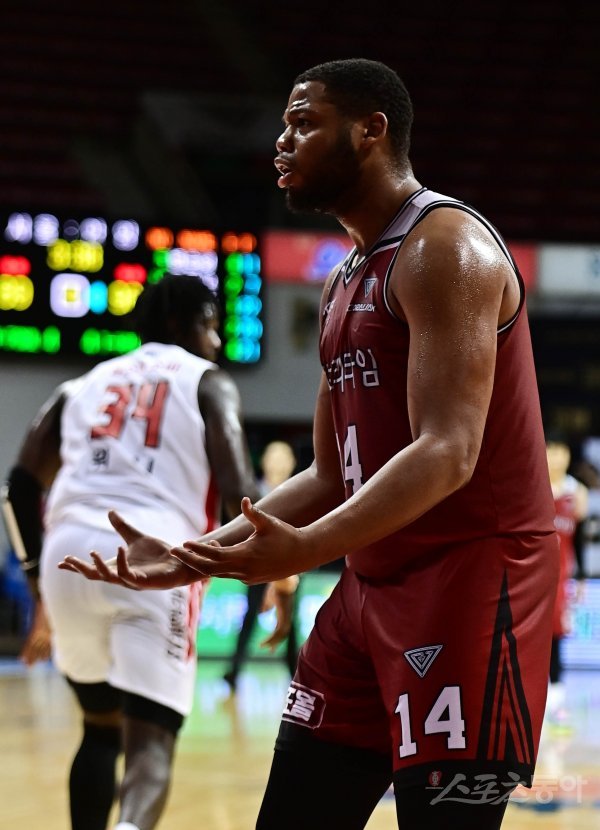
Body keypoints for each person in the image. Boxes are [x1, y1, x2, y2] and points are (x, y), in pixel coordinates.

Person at [61, 59, 560, 830]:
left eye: (303, 123)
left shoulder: (445, 246)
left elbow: (448, 450)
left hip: (470, 584)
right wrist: (192, 557)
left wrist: (304, 550)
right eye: (284, 126)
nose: (282, 143)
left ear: (371, 131)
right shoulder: (341, 281)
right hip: (366, 590)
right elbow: (331, 474)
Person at [1, 274, 267, 830]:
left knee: (100, 727)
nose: (216, 341)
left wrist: (36, 581)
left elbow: (19, 488)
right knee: (151, 742)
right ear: (180, 324)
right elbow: (241, 493)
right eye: (210, 326)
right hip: (154, 556)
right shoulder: (207, 381)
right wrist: (270, 573)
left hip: (67, 558)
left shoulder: (80, 385)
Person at [223, 440, 299, 692]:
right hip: (257, 566)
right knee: (249, 618)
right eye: (273, 456)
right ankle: (234, 671)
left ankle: (297, 675)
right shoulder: (250, 492)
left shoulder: (302, 492)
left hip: (291, 566)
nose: (278, 462)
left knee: (290, 623)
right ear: (264, 461)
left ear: (292, 463)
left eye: (283, 457)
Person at [545, 432, 589, 725]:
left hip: (562, 576)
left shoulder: (578, 492)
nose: (556, 457)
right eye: (550, 450)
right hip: (534, 573)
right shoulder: (532, 484)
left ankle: (557, 701)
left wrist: (582, 577)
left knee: (557, 634)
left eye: (561, 451)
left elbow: (582, 538)